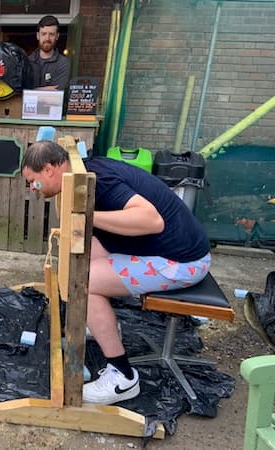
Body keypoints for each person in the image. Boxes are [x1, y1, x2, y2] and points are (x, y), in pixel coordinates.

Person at [21, 141, 211, 405]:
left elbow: (151, 220)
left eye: (34, 181)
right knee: (85, 259)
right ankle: (102, 322)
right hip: (172, 249)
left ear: (51, 168)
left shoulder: (100, 183)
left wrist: (87, 216)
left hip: (184, 262)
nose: (33, 189)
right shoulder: (83, 170)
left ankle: (122, 376)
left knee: (83, 280)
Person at [28, 15, 70, 91]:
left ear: (57, 36)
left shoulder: (63, 63)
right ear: (38, 36)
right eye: (44, 34)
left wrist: (32, 90)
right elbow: (21, 91)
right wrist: (46, 89)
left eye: (51, 34)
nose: (47, 38)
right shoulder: (27, 61)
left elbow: (57, 92)